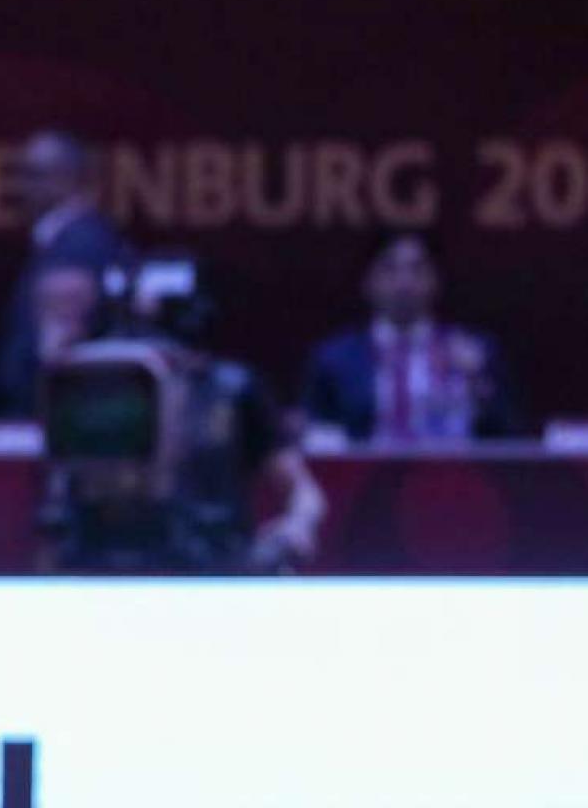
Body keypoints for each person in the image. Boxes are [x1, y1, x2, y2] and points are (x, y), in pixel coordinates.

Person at [40, 252, 325, 573]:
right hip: (105, 568)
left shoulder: (232, 389)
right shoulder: (90, 384)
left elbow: (304, 493)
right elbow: (60, 491)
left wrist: (296, 526)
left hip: (213, 565)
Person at [301, 231, 518, 443]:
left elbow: (510, 437)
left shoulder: (475, 351)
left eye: (417, 270)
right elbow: (317, 436)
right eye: (390, 269)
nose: (404, 283)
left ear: (436, 280)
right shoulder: (336, 359)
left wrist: (479, 383)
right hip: (367, 467)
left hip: (453, 466)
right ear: (368, 281)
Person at [0, 130, 128, 407]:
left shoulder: (77, 243)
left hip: (57, 414)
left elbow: (57, 352)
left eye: (31, 174)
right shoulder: (66, 240)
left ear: (66, 177)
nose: (20, 186)